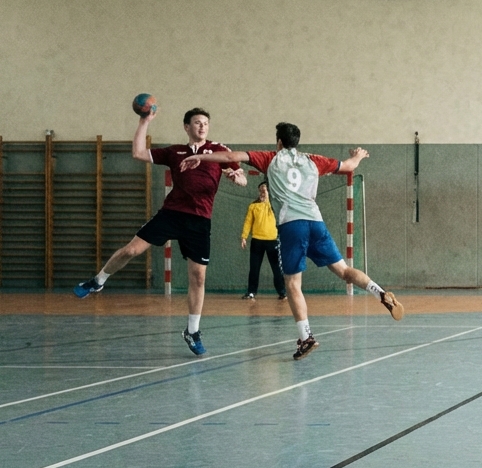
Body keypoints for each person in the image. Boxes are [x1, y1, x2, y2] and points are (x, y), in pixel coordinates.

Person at [180, 122, 404, 360]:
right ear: (297, 141)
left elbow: (230, 155)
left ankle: (306, 337)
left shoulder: (270, 158)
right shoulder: (313, 160)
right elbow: (348, 166)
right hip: (316, 222)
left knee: (293, 284)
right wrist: (358, 156)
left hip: (291, 226)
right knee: (345, 271)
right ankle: (380, 292)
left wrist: (201, 158)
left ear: (278, 142)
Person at [74, 107, 246, 356]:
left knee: (198, 277)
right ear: (187, 127)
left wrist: (237, 178)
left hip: (199, 221)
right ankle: (97, 281)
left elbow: (239, 173)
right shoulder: (174, 151)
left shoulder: (219, 150)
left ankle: (192, 331)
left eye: (205, 123)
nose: (202, 127)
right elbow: (138, 152)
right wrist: (144, 121)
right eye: (197, 123)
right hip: (172, 214)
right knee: (132, 250)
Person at [240, 181, 286, 300]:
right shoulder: (253, 206)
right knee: (254, 268)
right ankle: (251, 292)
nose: (262, 192)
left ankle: (282, 292)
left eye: (264, 190)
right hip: (257, 241)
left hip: (272, 241)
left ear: (269, 192)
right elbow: (248, 222)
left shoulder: (273, 205)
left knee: (276, 268)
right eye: (260, 190)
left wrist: (269, 197)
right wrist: (244, 237)